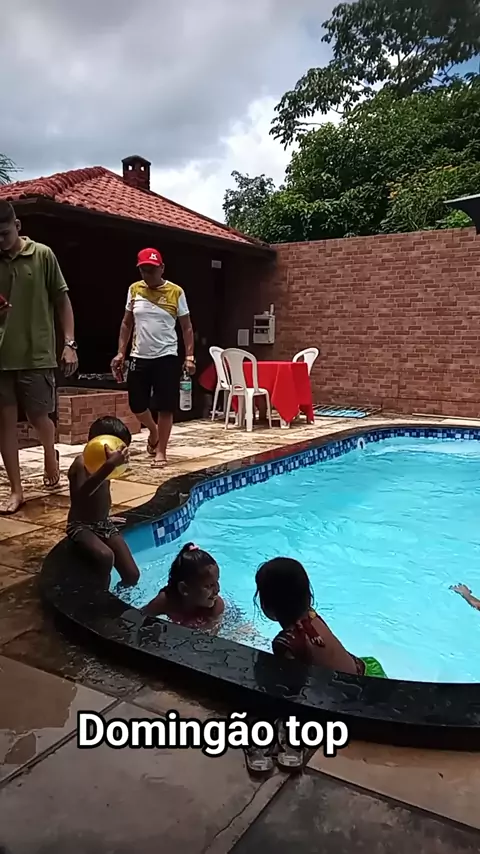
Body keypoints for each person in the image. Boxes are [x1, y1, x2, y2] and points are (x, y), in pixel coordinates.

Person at [0, 201, 78, 514]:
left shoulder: (43, 255)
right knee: (5, 423)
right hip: (2, 357)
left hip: (37, 354)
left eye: (4, 234)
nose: (0, 241)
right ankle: (16, 490)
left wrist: (69, 343)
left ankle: (49, 453)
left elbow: (62, 301)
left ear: (17, 226)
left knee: (38, 416)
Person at [111, 248, 195, 468]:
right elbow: (127, 323)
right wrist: (121, 352)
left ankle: (161, 451)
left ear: (162, 268)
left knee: (165, 406)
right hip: (139, 355)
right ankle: (153, 430)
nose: (148, 274)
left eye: (152, 270)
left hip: (167, 356)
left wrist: (189, 356)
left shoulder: (176, 292)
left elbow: (186, 327)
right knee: (136, 404)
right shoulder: (134, 290)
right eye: (143, 270)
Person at [255, 557, 387, 677]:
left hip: (351, 689)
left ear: (266, 606)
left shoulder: (284, 643)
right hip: (368, 671)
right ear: (308, 596)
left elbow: (293, 684)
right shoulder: (311, 615)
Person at [66, 415, 140, 587]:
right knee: (106, 556)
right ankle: (99, 594)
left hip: (103, 523)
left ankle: (119, 597)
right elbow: (82, 496)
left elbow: (100, 496)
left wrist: (104, 515)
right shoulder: (82, 463)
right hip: (80, 525)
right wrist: (109, 466)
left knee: (132, 575)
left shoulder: (103, 464)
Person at [142, 542, 224, 627]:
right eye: (209, 586)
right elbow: (140, 617)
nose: (217, 589)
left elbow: (211, 633)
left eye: (216, 582)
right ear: (184, 589)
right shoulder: (166, 601)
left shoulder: (216, 607)